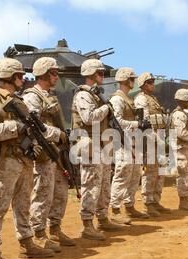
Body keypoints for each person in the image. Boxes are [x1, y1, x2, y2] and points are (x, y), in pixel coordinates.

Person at [0, 58, 54, 259]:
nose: (23, 79)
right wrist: (16, 127)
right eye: (19, 76)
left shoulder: (19, 101)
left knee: (23, 206)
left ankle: (27, 242)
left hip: (23, 159)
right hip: (4, 161)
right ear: (10, 77)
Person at [23, 57, 75, 249]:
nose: (57, 76)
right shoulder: (32, 96)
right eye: (53, 73)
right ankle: (38, 233)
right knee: (43, 192)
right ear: (43, 74)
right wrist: (58, 134)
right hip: (43, 151)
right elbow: (36, 127)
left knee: (60, 191)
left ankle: (55, 228)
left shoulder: (49, 95)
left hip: (57, 149)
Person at [71, 59, 123, 241]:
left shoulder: (96, 95)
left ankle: (103, 218)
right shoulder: (83, 95)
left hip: (101, 145)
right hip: (89, 146)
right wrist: (105, 109)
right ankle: (87, 225)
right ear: (91, 75)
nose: (102, 76)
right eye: (99, 73)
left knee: (104, 186)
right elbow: (88, 117)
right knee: (91, 186)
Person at [109, 67, 150, 224]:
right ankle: (115, 210)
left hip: (133, 141)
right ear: (127, 80)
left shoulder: (127, 98)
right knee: (122, 174)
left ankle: (129, 206)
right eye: (132, 79)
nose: (134, 82)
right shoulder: (117, 99)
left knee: (134, 175)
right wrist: (137, 123)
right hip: (122, 142)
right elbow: (117, 121)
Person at [135, 72, 172, 216]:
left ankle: (156, 201)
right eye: (150, 82)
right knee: (150, 172)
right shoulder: (141, 99)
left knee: (160, 172)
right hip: (150, 138)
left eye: (152, 82)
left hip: (159, 139)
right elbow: (145, 121)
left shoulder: (153, 99)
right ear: (143, 85)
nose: (152, 84)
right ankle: (147, 203)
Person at [170, 89, 188, 211]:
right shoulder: (179, 114)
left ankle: (185, 199)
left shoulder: (183, 113)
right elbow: (180, 132)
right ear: (187, 101)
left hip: (183, 147)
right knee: (184, 174)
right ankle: (183, 201)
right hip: (180, 148)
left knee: (187, 172)